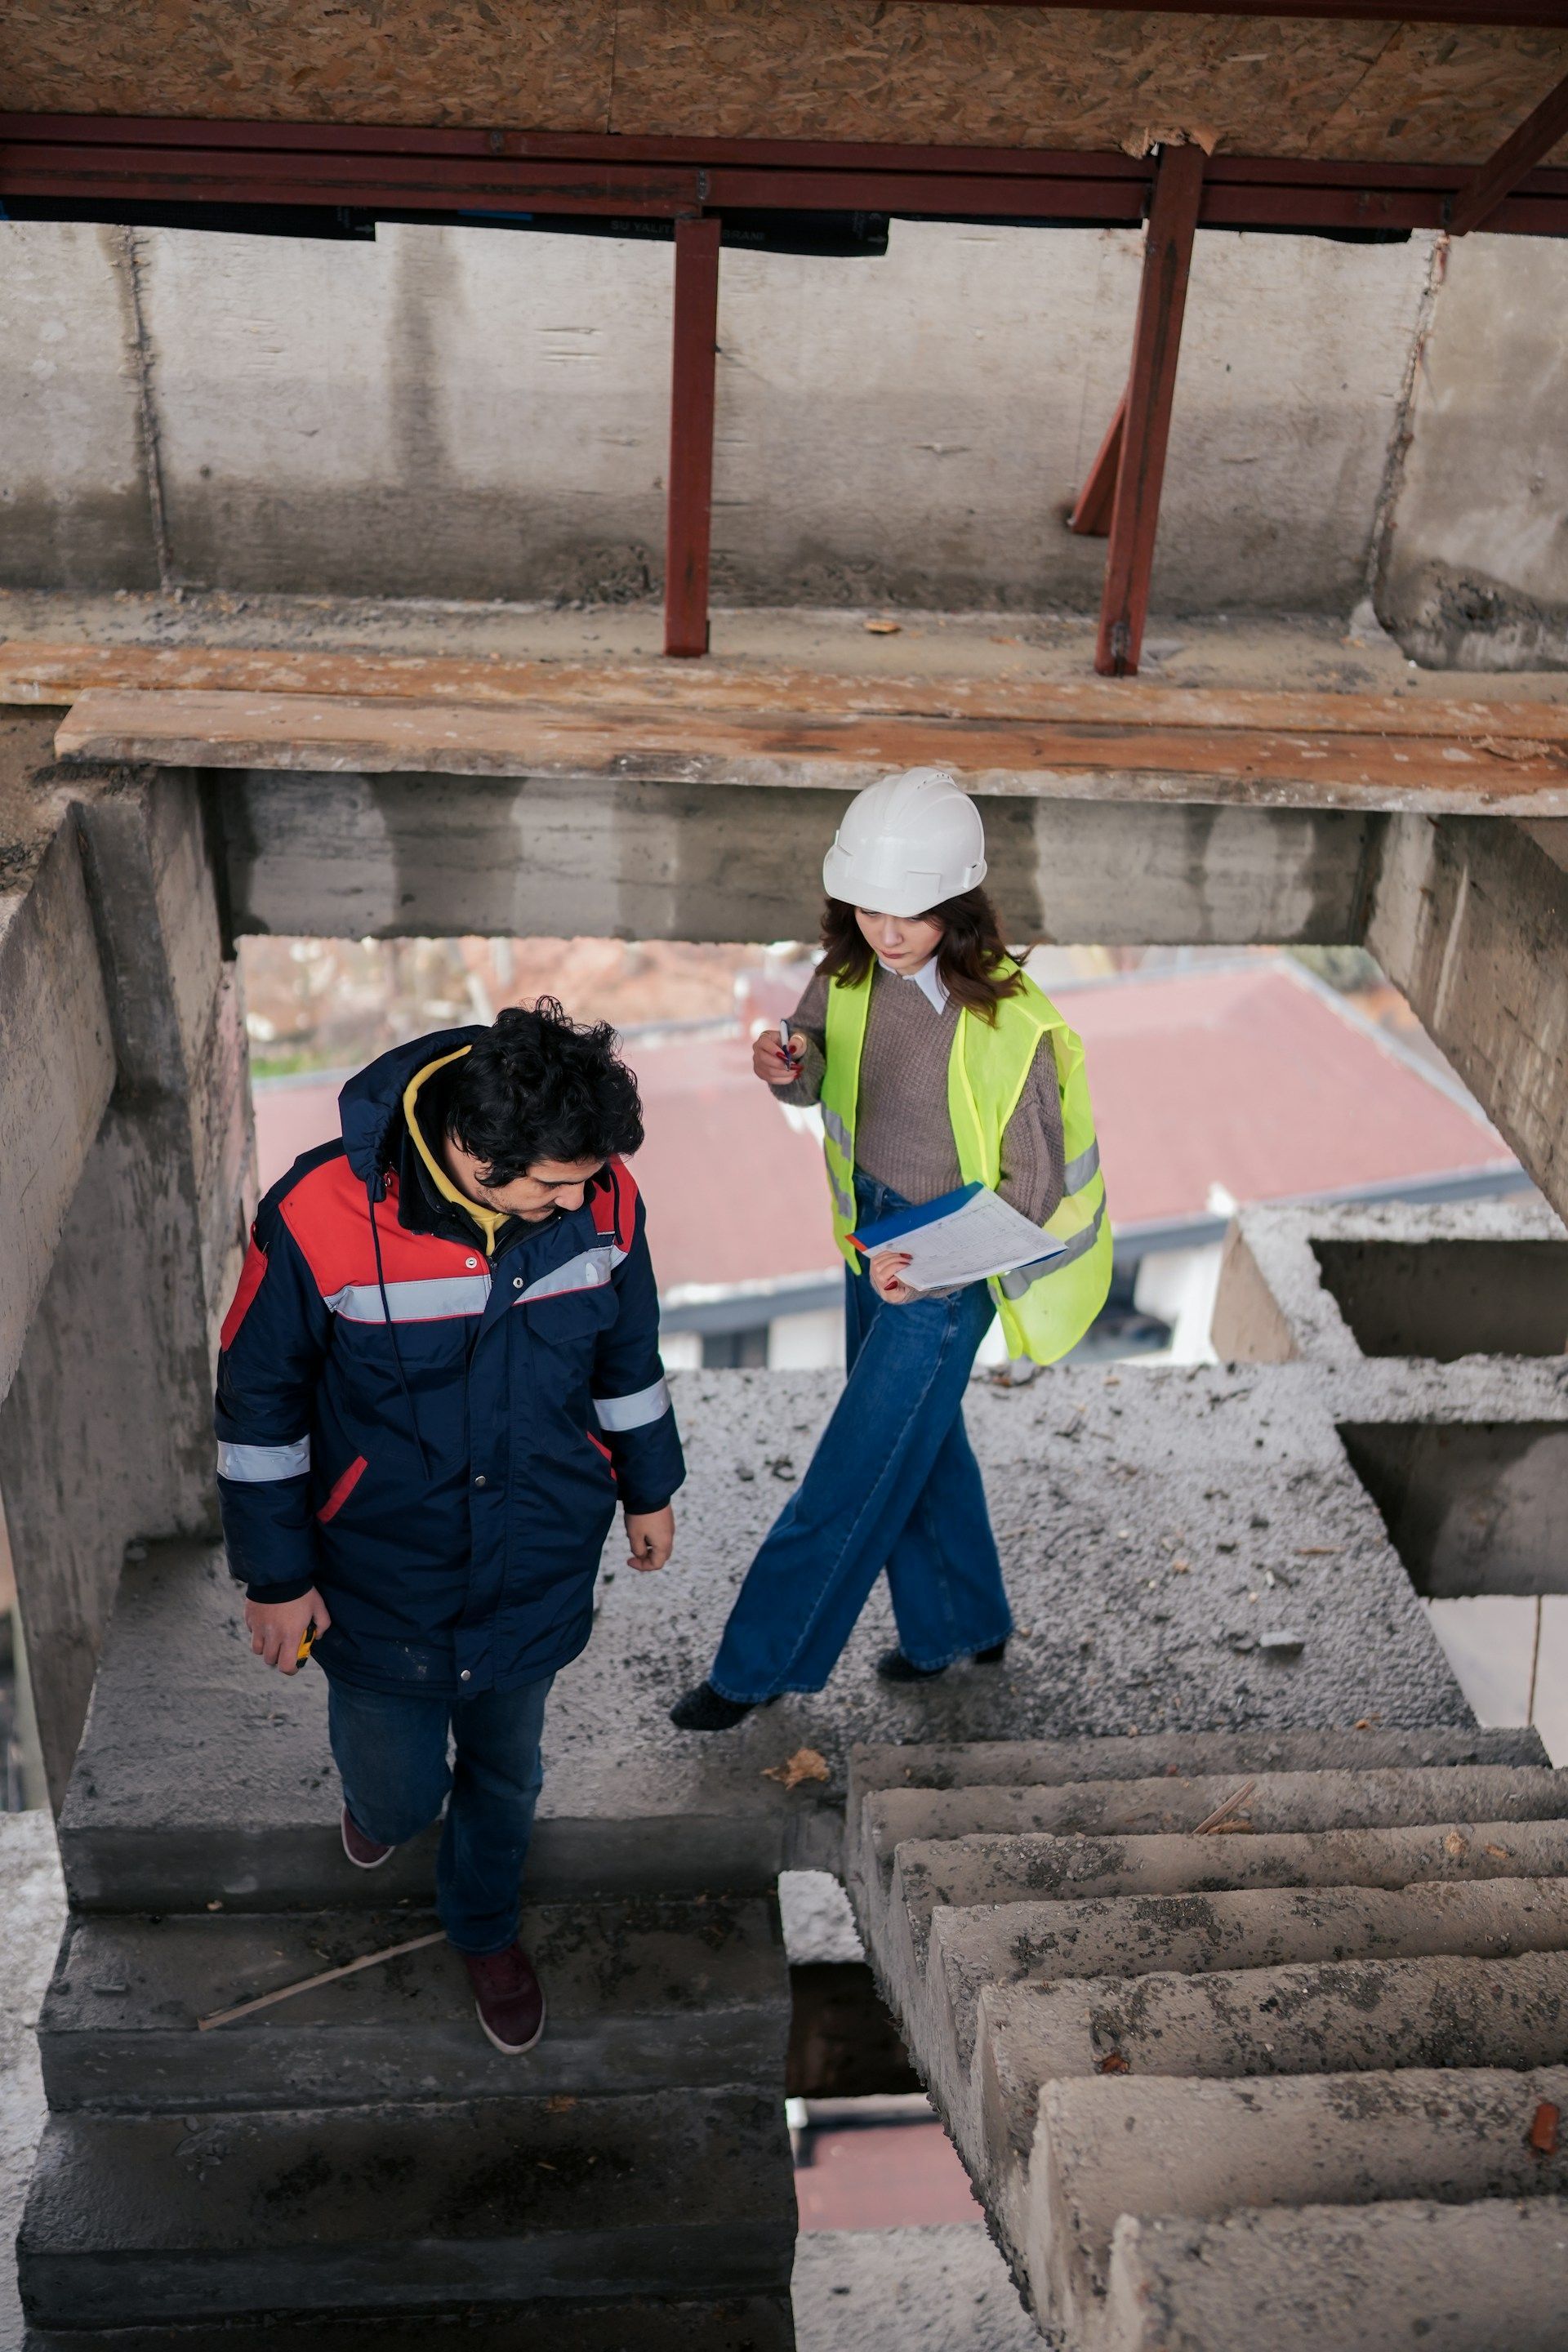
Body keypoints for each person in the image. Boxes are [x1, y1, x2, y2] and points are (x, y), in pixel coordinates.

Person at [216, 1001, 684, 2051]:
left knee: (508, 1770)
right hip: (380, 1574)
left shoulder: (602, 1196)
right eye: (553, 1185)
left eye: (588, 1177)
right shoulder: (317, 1212)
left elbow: (629, 1357)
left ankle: (483, 1927)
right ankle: (379, 1816)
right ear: (474, 1154)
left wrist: (649, 1488)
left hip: (539, 1557)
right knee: (399, 1787)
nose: (581, 1198)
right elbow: (258, 1411)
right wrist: (275, 1577)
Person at [670, 768, 1111, 1731]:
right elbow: (816, 1063)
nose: (886, 929)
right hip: (871, 1238)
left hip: (950, 1267)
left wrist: (933, 1267)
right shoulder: (846, 975)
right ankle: (962, 1624)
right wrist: (784, 1063)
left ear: (959, 901)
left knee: (856, 1466)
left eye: (909, 912)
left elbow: (1029, 1193)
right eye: (868, 907)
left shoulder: (1014, 1023)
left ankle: (753, 1670)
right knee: (925, 1440)